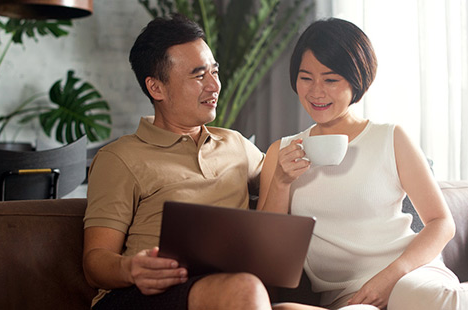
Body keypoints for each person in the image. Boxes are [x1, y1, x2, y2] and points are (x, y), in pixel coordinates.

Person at [82, 14, 376, 310]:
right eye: (199, 76)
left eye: (215, 72)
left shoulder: (235, 144)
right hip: (143, 297)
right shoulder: (119, 157)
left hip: (229, 295)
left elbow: (294, 187)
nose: (214, 86)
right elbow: (95, 260)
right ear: (156, 88)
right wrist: (130, 269)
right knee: (245, 289)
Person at [257, 18, 468, 310]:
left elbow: (442, 224)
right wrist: (281, 181)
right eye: (306, 77)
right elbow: (267, 253)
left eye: (331, 79)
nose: (316, 91)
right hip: (349, 298)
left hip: (412, 275)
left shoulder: (389, 138)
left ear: (357, 79)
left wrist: (391, 277)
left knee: (422, 297)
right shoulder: (282, 152)